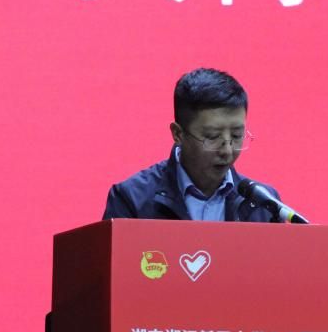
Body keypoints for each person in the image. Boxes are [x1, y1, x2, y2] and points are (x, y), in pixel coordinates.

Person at [103, 68, 280, 222]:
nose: (227, 151)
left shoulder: (265, 203)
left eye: (236, 135)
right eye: (212, 137)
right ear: (178, 134)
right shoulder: (131, 199)